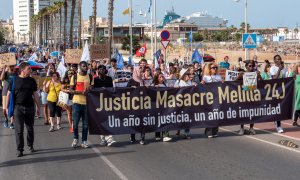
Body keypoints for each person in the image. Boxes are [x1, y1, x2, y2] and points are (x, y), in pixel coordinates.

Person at [6, 62, 40, 157]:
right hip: (18, 108)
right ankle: (20, 149)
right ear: (22, 70)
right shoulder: (14, 80)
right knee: (19, 130)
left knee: (30, 128)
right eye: (29, 68)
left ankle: (30, 145)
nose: (30, 70)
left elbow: (35, 95)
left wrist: (38, 107)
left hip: (30, 107)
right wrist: (6, 107)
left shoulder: (32, 81)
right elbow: (9, 94)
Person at [70, 61, 94, 148]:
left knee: (85, 124)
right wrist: (80, 92)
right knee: (75, 123)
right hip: (76, 103)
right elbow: (71, 90)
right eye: (84, 66)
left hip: (87, 104)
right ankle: (75, 138)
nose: (86, 67)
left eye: (86, 66)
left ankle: (84, 141)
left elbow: (92, 87)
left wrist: (89, 89)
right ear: (80, 67)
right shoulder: (75, 77)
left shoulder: (90, 76)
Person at [235, 60, 262, 135]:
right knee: (244, 112)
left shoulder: (256, 74)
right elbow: (233, 83)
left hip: (253, 96)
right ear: (246, 66)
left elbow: (262, 83)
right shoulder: (243, 74)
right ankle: (242, 128)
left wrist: (259, 76)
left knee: (252, 112)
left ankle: (251, 128)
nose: (251, 67)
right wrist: (238, 76)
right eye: (250, 66)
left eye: (253, 66)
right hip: (244, 96)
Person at [94, 65, 116, 146]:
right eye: (100, 69)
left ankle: (109, 139)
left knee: (107, 120)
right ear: (98, 71)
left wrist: (106, 89)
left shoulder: (109, 79)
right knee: (100, 121)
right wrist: (100, 89)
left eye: (103, 69)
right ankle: (103, 139)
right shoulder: (95, 79)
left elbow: (111, 89)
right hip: (97, 102)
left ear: (105, 70)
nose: (101, 70)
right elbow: (93, 90)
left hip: (107, 102)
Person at [201, 62, 223, 138]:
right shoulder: (206, 77)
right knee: (210, 114)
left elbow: (222, 86)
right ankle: (209, 131)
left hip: (217, 98)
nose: (215, 69)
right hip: (209, 98)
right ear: (209, 69)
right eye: (213, 68)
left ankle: (215, 130)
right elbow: (203, 86)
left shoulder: (219, 77)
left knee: (217, 114)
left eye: (216, 67)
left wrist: (222, 83)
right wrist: (202, 83)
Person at [174, 68, 196, 139]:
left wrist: (195, 86)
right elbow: (174, 91)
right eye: (187, 74)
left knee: (187, 117)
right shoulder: (178, 82)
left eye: (189, 74)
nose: (189, 76)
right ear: (183, 75)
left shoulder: (190, 82)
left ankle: (186, 133)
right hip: (179, 103)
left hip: (188, 103)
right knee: (179, 117)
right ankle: (178, 129)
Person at [152, 72, 172, 142]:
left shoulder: (165, 85)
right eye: (160, 77)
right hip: (157, 105)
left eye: (162, 77)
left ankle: (165, 135)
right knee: (158, 120)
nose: (162, 78)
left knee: (165, 119)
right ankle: (157, 134)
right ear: (157, 78)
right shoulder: (153, 85)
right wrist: (154, 88)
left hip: (164, 105)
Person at [270, 55, 286, 133]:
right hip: (275, 90)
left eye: (279, 59)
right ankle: (278, 125)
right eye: (276, 59)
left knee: (282, 108)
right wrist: (279, 69)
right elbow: (274, 79)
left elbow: (285, 79)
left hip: (282, 90)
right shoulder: (272, 68)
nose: (278, 60)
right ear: (274, 60)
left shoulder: (284, 68)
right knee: (277, 108)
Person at [1, 65, 16, 129]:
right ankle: (6, 119)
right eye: (10, 66)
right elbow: (1, 78)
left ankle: (12, 123)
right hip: (5, 92)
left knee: (12, 107)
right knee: (5, 109)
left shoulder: (16, 74)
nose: (11, 67)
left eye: (12, 66)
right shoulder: (6, 73)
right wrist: (4, 69)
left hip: (12, 93)